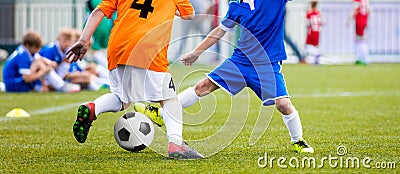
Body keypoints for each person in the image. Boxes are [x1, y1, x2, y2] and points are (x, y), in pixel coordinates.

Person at [135, 0, 314, 153]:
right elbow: (219, 32)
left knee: (283, 104)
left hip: (267, 65)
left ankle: (297, 140)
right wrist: (196, 53)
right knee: (202, 87)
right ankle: (160, 113)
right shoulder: (236, 5)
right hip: (240, 61)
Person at [66, 0, 203, 159]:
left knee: (122, 98)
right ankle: (176, 144)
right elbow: (190, 15)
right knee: (169, 100)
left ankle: (92, 108)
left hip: (118, 47)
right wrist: (171, 10)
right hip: (149, 47)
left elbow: (98, 12)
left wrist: (83, 40)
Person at [2, 31, 79, 93]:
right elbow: (27, 78)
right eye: (36, 48)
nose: (38, 50)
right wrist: (43, 71)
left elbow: (40, 58)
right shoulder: (23, 56)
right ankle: (60, 86)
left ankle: (55, 85)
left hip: (13, 83)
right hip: (13, 84)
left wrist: (50, 63)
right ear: (28, 45)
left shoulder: (25, 51)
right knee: (39, 64)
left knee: (40, 62)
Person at [348, 0, 370, 65]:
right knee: (360, 39)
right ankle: (360, 58)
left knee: (360, 39)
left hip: (359, 21)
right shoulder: (366, 1)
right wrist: (366, 21)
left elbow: (356, 11)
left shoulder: (357, 1)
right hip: (364, 20)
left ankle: (364, 59)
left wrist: (349, 20)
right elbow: (368, 11)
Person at [305, 0, 323, 64]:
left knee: (307, 46)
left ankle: (316, 54)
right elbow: (321, 22)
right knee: (315, 45)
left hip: (311, 31)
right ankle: (316, 59)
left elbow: (308, 23)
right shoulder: (318, 13)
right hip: (317, 31)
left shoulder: (309, 13)